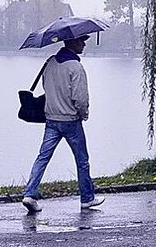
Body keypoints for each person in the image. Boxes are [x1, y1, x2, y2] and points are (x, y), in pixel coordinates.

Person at [21, 34, 105, 213]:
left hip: (51, 119)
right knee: (82, 160)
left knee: (42, 157)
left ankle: (29, 193)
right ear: (73, 42)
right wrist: (84, 114)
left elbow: (46, 87)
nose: (84, 44)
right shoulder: (76, 67)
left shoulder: (50, 63)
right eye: (82, 41)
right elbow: (80, 97)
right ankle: (87, 198)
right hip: (71, 120)